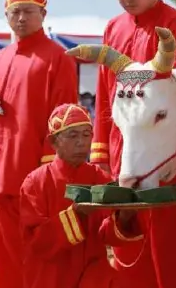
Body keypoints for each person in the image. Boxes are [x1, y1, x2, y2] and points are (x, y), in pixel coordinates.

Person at [92, 0, 176, 288]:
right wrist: (101, 154)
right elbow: (104, 97)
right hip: (122, 156)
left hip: (163, 160)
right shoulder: (113, 29)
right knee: (126, 249)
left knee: (168, 256)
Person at [0, 0, 79, 288]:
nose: (21, 18)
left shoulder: (57, 58)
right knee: (3, 255)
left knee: (40, 252)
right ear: (6, 17)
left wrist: (51, 172)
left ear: (43, 15)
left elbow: (66, 120)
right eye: (15, 12)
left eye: (28, 12)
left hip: (36, 173)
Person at [20, 103, 143, 288]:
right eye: (73, 135)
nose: (82, 142)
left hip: (93, 276)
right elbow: (36, 242)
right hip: (51, 277)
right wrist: (76, 214)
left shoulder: (100, 177)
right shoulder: (35, 183)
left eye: (87, 135)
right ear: (54, 142)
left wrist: (125, 215)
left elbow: (108, 235)